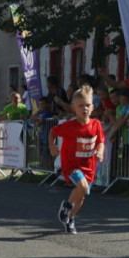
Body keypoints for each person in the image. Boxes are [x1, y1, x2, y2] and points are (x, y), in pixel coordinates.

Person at [50, 85, 106, 234]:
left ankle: (70, 218)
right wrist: (52, 147)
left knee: (81, 196)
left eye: (88, 105)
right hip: (71, 165)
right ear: (74, 108)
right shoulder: (69, 126)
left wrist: (100, 152)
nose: (85, 109)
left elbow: (101, 141)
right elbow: (53, 132)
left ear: (93, 107)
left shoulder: (96, 125)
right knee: (83, 187)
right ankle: (67, 206)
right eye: (81, 106)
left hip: (88, 166)